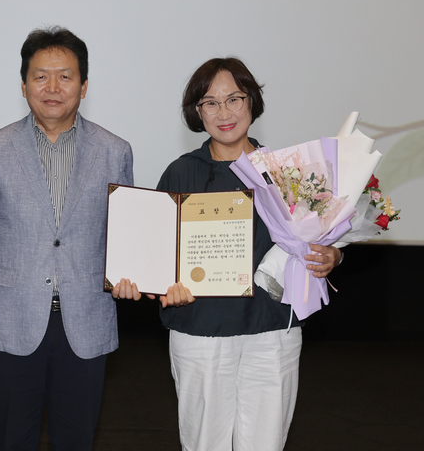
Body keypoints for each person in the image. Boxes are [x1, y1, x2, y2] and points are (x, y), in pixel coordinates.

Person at [116, 57, 342, 451]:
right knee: (204, 443)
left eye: (234, 99)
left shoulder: (286, 172)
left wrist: (332, 256)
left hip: (272, 329)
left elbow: (321, 235)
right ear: (197, 111)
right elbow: (156, 255)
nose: (224, 113)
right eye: (210, 102)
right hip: (200, 330)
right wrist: (161, 286)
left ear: (251, 101)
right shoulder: (181, 173)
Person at [0, 26, 134, 450]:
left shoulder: (115, 151)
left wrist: (133, 273)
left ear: (84, 86)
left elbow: (125, 237)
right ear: (23, 86)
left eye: (65, 76)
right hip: (10, 324)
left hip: (86, 321)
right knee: (12, 440)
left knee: (77, 441)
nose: (52, 87)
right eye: (40, 76)